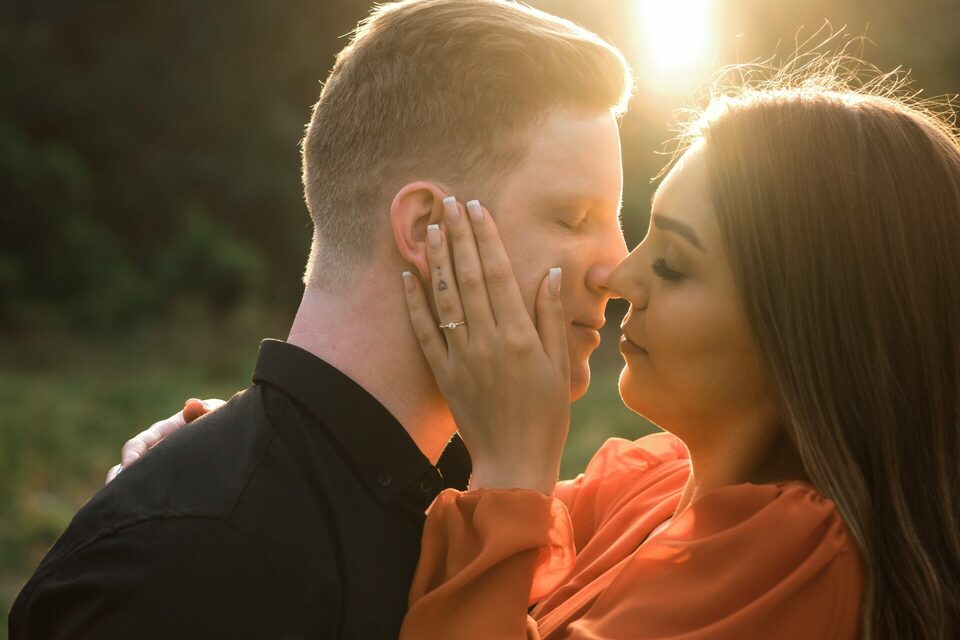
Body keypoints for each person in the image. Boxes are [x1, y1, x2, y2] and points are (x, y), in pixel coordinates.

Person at [7, 1, 632, 638]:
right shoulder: (190, 564)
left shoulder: (455, 509)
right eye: (573, 218)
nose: (618, 267)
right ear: (428, 228)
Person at [393, 70, 960, 638]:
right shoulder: (647, 486)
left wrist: (512, 468)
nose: (621, 278)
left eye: (672, 264)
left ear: (809, 332)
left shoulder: (792, 559)